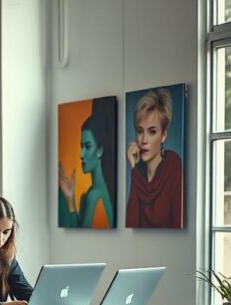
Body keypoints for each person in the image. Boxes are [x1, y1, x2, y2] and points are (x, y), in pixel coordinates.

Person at [126, 88, 183, 228]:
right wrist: (133, 169)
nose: (144, 140)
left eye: (152, 132)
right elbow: (131, 224)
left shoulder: (173, 166)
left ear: (163, 135)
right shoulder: (138, 171)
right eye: (140, 131)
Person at [59, 105, 116, 228]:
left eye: (88, 146)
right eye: (81, 146)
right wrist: (71, 200)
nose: (81, 154)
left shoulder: (94, 195)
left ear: (99, 150)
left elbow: (77, 236)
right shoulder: (93, 193)